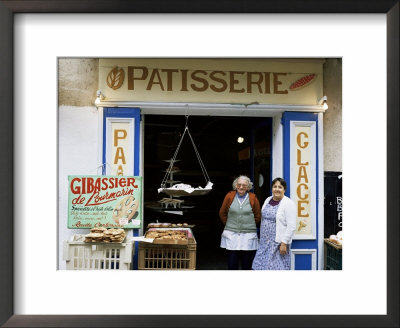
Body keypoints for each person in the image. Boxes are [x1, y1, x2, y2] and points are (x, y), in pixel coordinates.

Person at [252, 177, 296, 270]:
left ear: (284, 190)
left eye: (280, 187)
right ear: (272, 188)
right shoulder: (268, 200)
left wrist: (284, 243)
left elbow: (291, 226)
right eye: (275, 186)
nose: (277, 189)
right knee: (260, 266)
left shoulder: (288, 203)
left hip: (278, 243)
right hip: (264, 242)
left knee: (276, 268)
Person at [219, 175, 261, 270]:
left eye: (244, 185)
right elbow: (222, 213)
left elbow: (258, 216)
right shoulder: (229, 196)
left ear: (248, 187)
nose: (241, 187)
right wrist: (230, 224)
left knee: (247, 263)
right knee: (232, 261)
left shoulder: (253, 197)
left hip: (248, 235)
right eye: (239, 185)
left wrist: (248, 225)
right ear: (235, 185)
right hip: (232, 234)